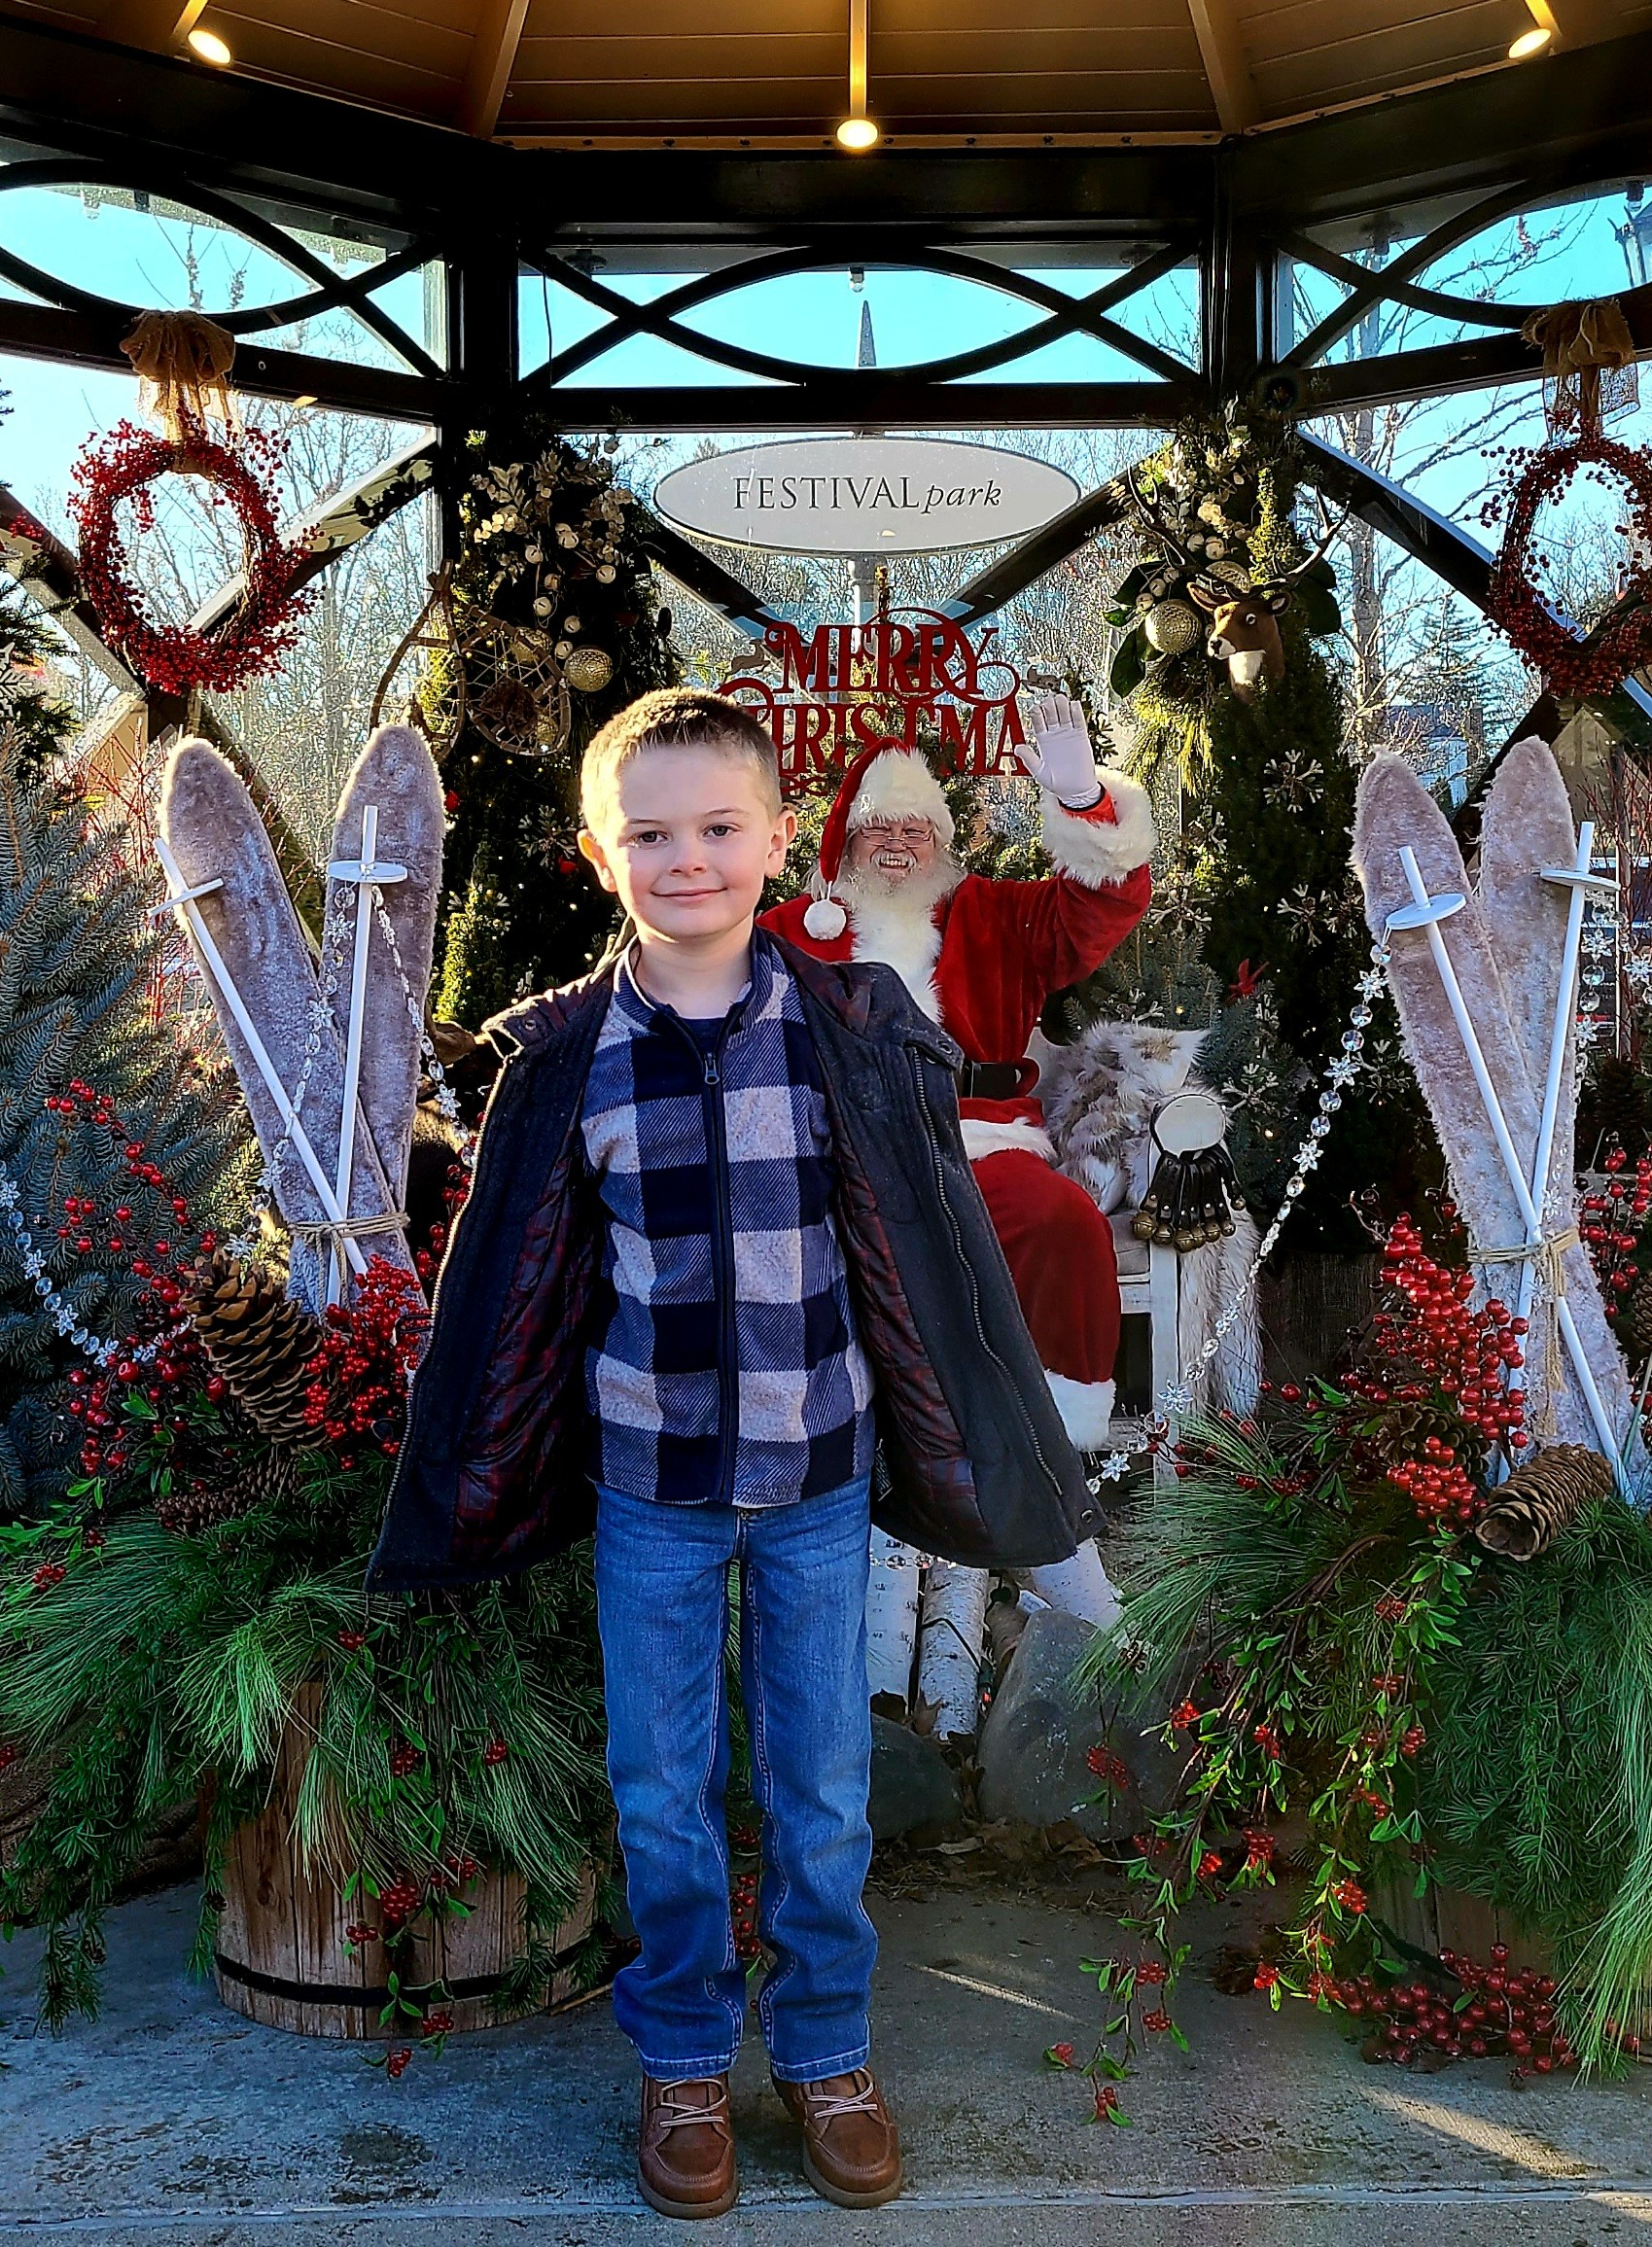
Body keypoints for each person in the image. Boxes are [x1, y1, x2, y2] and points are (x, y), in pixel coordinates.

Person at [366, 687, 1104, 2221]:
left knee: (821, 1781)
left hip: (817, 1476)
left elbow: (921, 1245)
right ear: (599, 851)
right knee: (660, 1784)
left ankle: (827, 2048)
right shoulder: (568, 1062)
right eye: (650, 832)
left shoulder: (846, 1031)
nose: (686, 857)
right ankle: (687, 2056)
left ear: (780, 838)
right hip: (650, 1483)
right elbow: (516, 1277)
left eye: (718, 827)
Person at [761, 695, 1154, 1460]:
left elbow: (1099, 907)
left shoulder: (994, 916)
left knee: (1060, 1221)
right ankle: (843, 1466)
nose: (898, 845)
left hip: (980, 1133)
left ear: (940, 841)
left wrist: (1083, 803)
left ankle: (1043, 1451)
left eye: (916, 829)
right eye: (879, 827)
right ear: (844, 838)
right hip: (837, 1145)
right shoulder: (786, 933)